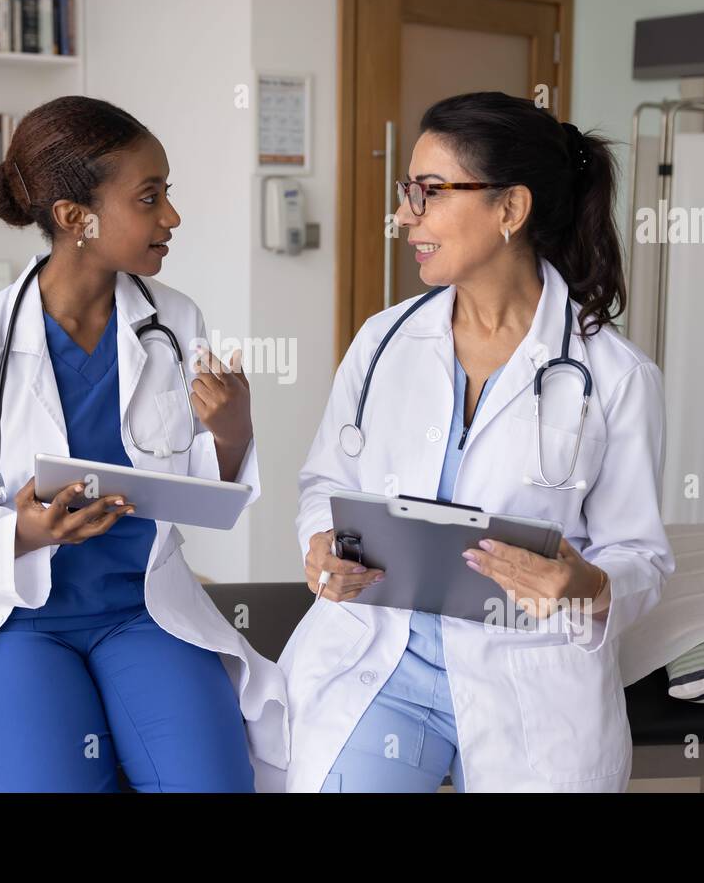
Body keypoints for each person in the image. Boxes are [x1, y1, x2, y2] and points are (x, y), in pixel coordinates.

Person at [282, 91, 675, 792]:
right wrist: (322, 545)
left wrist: (587, 583)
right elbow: (325, 485)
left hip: (530, 681)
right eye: (408, 192)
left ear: (510, 209)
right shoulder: (383, 342)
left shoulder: (616, 378)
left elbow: (640, 555)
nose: (405, 215)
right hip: (385, 660)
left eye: (429, 193)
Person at [0, 95, 287, 792]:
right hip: (16, 622)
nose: (172, 216)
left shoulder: (175, 319)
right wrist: (19, 529)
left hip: (145, 608)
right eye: (150, 197)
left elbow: (206, 498)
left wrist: (231, 433)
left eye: (167, 194)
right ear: (77, 217)